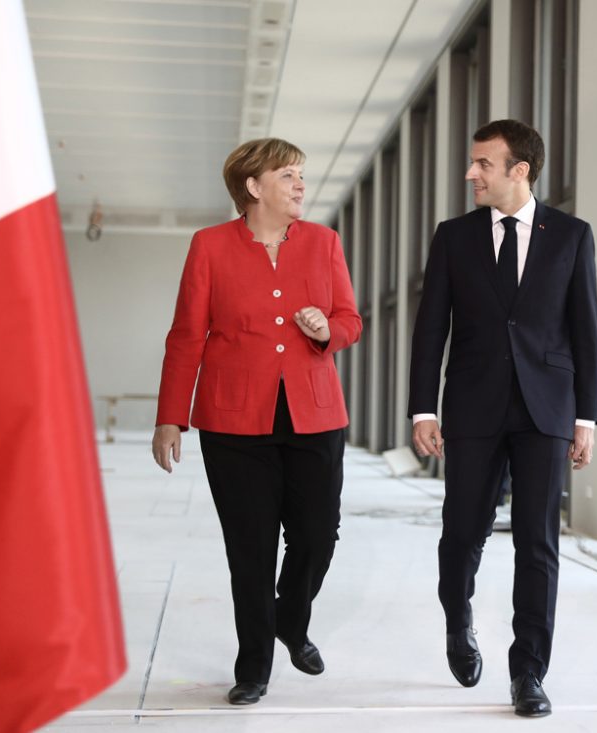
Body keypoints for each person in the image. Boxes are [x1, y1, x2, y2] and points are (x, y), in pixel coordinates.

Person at [151, 138, 361, 706]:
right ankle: (254, 668)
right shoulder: (209, 246)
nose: (299, 184)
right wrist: (170, 417)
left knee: (317, 535)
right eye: (288, 174)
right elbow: (187, 335)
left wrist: (326, 330)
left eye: (300, 174)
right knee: (250, 547)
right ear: (253, 187)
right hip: (232, 423)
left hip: (314, 414)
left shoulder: (324, 242)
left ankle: (291, 619)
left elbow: (350, 320)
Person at [409, 119, 597, 718]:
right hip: (472, 406)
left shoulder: (571, 235)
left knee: (537, 543)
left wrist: (587, 417)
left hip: (546, 407)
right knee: (462, 531)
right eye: (472, 163)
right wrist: (423, 408)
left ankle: (528, 674)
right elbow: (429, 331)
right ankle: (458, 618)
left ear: (520, 170)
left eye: (483, 164)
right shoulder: (453, 237)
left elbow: (586, 329)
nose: (471, 173)